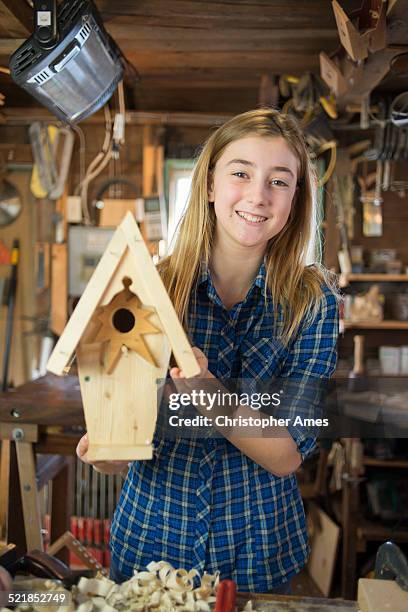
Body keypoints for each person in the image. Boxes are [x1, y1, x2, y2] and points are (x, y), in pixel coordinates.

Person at [76, 108, 339, 593]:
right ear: (211, 184)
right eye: (241, 173)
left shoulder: (313, 303)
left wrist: (206, 390)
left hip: (259, 554)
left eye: (279, 181)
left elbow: (285, 454)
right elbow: (124, 429)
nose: (258, 195)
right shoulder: (148, 287)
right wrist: (110, 451)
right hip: (152, 550)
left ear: (296, 200)